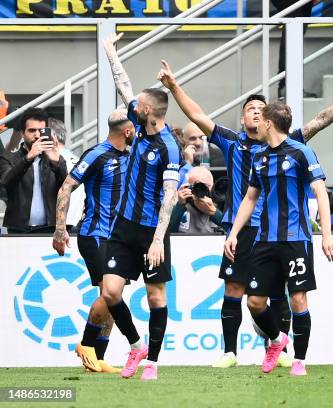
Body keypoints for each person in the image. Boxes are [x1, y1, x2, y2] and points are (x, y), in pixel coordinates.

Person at [158, 61, 333, 368]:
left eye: (261, 107)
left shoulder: (290, 143)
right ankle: (231, 352)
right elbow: (197, 115)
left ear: (268, 119)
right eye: (250, 107)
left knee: (284, 294)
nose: (256, 111)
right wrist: (174, 87)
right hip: (243, 230)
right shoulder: (231, 141)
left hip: (278, 231)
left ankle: (281, 349)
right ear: (243, 118)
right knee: (235, 289)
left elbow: (320, 121)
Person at [223, 102, 333, 376]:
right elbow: (250, 198)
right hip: (264, 241)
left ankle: (299, 360)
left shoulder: (301, 153)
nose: (256, 123)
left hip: (295, 239)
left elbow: (320, 192)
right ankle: (277, 340)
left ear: (269, 124)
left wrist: (327, 236)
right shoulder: (260, 157)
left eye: (260, 118)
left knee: (298, 299)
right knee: (255, 302)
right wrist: (234, 233)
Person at [101, 32, 181, 381]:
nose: (131, 106)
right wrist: (109, 52)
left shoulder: (169, 148)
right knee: (110, 291)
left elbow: (170, 197)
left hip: (151, 231)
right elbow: (123, 85)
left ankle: (153, 362)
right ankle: (136, 345)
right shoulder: (139, 118)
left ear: (148, 111)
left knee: (155, 295)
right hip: (123, 225)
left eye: (138, 105)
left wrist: (158, 240)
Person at [52, 109, 134, 374]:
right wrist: (60, 228)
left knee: (113, 297)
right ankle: (87, 347)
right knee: (110, 294)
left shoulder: (132, 155)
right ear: (127, 131)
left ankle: (95, 360)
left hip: (120, 239)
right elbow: (67, 186)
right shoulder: (97, 154)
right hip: (96, 233)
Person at [0, 107, 67, 233]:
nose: (37, 135)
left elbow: (68, 187)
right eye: (31, 131)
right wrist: (29, 157)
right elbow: (5, 182)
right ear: (22, 133)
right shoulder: (8, 158)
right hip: (18, 229)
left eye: (41, 131)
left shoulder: (55, 158)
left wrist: (57, 163)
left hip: (49, 228)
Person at [48, 117, 85, 231]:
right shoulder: (80, 162)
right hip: (77, 228)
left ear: (52, 137)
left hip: (56, 228)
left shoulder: (52, 164)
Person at [170, 166, 223, 234]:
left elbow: (231, 230)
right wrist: (180, 205)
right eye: (197, 186)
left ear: (212, 187)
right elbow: (170, 233)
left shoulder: (221, 202)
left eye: (205, 186)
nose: (201, 189)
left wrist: (214, 212)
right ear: (189, 187)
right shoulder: (182, 205)